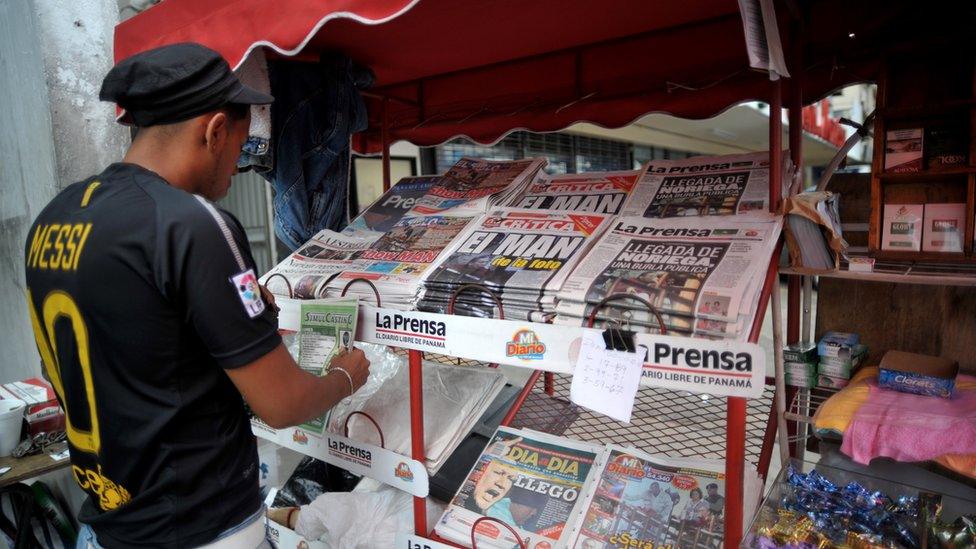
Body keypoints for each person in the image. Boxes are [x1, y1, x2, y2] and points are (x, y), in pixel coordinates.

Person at [24, 43, 371, 548]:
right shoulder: (192, 224)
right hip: (199, 528)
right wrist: (344, 376)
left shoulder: (54, 218)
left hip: (107, 524)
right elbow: (283, 404)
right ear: (213, 130)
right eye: (241, 141)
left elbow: (136, 348)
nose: (241, 162)